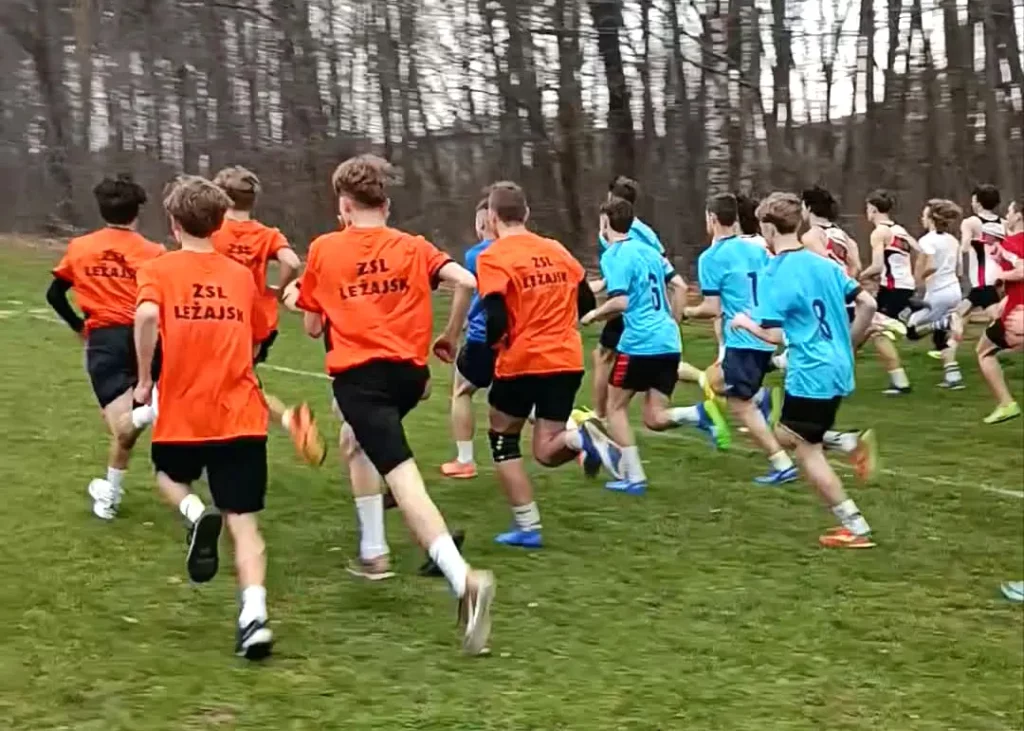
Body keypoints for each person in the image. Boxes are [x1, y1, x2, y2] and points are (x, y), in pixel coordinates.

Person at [294, 154, 494, 655]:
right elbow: (468, 282)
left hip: (361, 380)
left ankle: (463, 579)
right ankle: (374, 553)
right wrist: (449, 336)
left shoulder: (325, 249)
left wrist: (303, 300)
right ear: (385, 203)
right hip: (408, 376)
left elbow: (314, 327)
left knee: (402, 478)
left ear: (344, 205)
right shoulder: (413, 246)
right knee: (354, 442)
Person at [133, 175, 275, 659]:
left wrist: (145, 379)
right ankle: (254, 618)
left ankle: (195, 514)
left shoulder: (158, 269)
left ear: (174, 223)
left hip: (185, 410)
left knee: (168, 476)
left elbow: (146, 317)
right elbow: (257, 334)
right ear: (218, 224)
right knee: (245, 521)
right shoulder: (240, 275)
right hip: (240, 413)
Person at [476, 181, 622, 548]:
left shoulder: (493, 256)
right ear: (526, 213)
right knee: (546, 450)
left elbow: (495, 317)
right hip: (566, 359)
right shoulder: (556, 249)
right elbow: (586, 302)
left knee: (502, 438)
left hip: (523, 359)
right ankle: (579, 437)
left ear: (492, 217)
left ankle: (528, 528)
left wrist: (492, 347)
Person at [731, 192, 878, 548]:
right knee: (787, 434)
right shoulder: (824, 264)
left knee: (805, 450)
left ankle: (855, 527)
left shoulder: (776, 273)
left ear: (768, 227)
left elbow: (772, 334)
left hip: (811, 371)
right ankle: (848, 442)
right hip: (837, 365)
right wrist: (849, 343)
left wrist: (744, 323)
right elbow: (868, 304)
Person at [580, 197, 725, 494]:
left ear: (606, 223)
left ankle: (634, 478)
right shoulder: (649, 251)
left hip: (639, 344)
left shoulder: (613, 255)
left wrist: (593, 315)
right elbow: (680, 286)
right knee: (654, 418)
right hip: (668, 341)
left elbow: (620, 302)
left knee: (615, 408)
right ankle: (697, 414)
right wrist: (672, 321)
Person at [47, 175, 165, 520]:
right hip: (149, 338)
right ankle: (109, 493)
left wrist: (79, 327)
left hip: (106, 342)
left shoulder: (80, 247)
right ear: (137, 211)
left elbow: (54, 294)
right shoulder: (154, 252)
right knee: (127, 428)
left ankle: (153, 414)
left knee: (122, 427)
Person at [209, 166, 325, 465]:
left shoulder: (213, 231)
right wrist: (277, 289)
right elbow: (291, 261)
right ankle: (282, 422)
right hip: (258, 321)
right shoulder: (266, 234)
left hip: (220, 317)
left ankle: (279, 423)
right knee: (236, 381)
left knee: (226, 384)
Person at [684, 193, 792, 483]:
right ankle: (760, 398)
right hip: (764, 333)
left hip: (743, 339)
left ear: (711, 218)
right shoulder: (757, 249)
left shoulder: (711, 258)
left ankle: (781, 463)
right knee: (715, 381)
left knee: (738, 404)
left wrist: (686, 312)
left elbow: (712, 308)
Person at [590, 176, 665, 421]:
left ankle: (600, 415)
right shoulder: (646, 231)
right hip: (652, 304)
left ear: (612, 199)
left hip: (632, 304)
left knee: (603, 355)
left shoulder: (618, 232)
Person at [440, 196, 496, 479]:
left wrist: (453, 330)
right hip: (514, 339)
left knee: (461, 392)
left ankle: (465, 460)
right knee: (517, 399)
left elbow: (470, 289)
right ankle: (574, 436)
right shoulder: (519, 250)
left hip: (482, 338)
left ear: (484, 222)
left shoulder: (477, 255)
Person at [904, 200, 964, 389]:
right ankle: (953, 377)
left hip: (938, 293)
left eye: (924, 215)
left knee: (911, 328)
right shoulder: (953, 240)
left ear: (931, 219)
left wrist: (918, 280)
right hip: (954, 290)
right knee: (940, 339)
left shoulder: (927, 240)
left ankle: (942, 322)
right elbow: (960, 270)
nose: (921, 218)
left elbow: (930, 266)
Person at [859, 189, 914, 395]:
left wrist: (859, 278)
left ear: (873, 209)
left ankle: (900, 382)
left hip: (892, 288)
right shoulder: (900, 230)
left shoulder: (879, 232)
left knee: (879, 332)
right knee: (865, 330)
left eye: (867, 208)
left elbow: (877, 265)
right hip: (904, 285)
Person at [976, 196, 1024, 424]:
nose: (1006, 216)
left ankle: (1006, 404)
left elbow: (1022, 271)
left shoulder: (1010, 243)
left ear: (1019, 216)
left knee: (983, 352)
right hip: (1014, 307)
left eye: (1010, 212)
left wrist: (1000, 276)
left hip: (1018, 314)